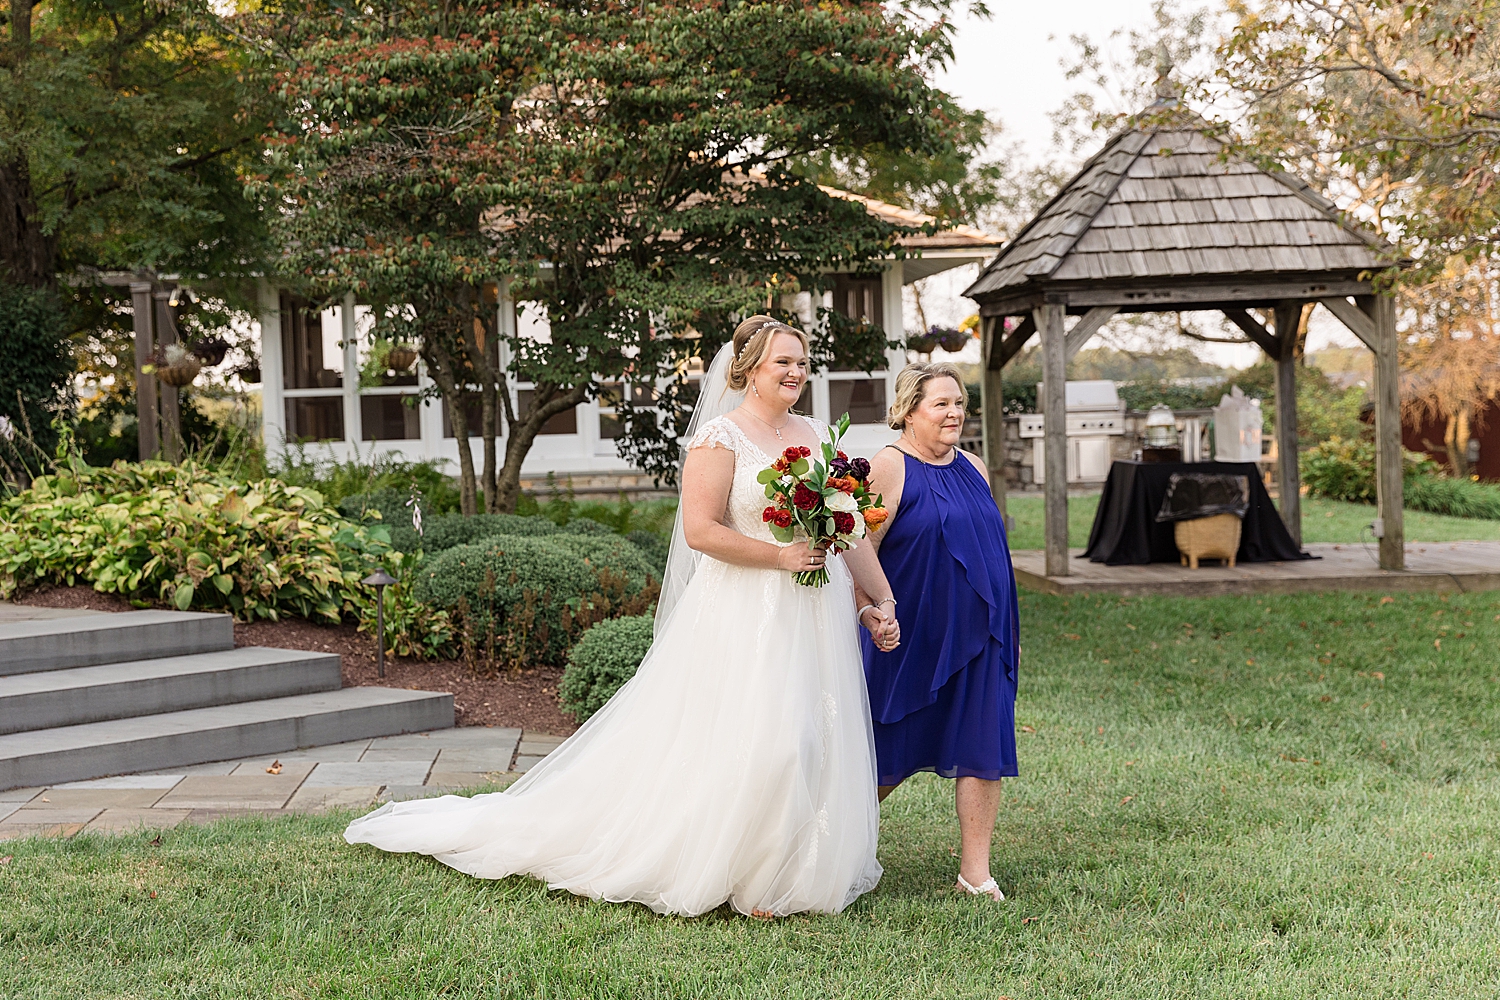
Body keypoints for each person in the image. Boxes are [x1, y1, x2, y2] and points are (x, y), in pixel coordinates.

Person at [345, 315, 901, 918]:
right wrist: (779, 556)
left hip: (810, 611)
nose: (796, 372)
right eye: (782, 362)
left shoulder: (819, 435)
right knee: (770, 740)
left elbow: (848, 529)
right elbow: (700, 531)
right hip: (744, 612)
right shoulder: (721, 437)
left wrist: (880, 602)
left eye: (801, 361)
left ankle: (793, 868)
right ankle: (744, 873)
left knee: (814, 735)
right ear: (746, 370)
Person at [854, 361, 1019, 902]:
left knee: (981, 745)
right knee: (884, 750)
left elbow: (992, 549)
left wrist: (1009, 628)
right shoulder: (887, 468)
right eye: (940, 404)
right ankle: (822, 845)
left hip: (982, 635)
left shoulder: (975, 466)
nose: (954, 413)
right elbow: (859, 554)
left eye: (958, 403)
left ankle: (976, 872)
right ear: (907, 410)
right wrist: (870, 612)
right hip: (909, 636)